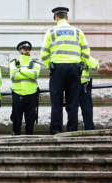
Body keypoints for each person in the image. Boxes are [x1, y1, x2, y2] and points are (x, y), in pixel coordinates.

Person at [41, 6, 91, 135]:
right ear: (67, 17)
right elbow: (86, 50)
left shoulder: (51, 32)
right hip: (74, 70)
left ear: (56, 17)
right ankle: (72, 130)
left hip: (57, 70)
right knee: (73, 102)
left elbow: (44, 53)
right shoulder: (77, 32)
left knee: (56, 101)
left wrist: (49, 64)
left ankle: (56, 130)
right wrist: (82, 64)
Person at [10, 41, 41, 136]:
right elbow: (14, 76)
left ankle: (29, 138)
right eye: (24, 49)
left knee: (30, 119)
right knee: (16, 119)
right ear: (20, 51)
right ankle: (15, 138)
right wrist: (28, 73)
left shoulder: (35, 63)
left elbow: (35, 75)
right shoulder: (14, 63)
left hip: (31, 94)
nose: (27, 51)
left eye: (28, 49)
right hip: (18, 93)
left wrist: (21, 70)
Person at [79, 55, 99, 130]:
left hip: (84, 86)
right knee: (71, 110)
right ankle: (71, 130)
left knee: (87, 110)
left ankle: (89, 130)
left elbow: (95, 66)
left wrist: (85, 57)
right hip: (72, 86)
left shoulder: (84, 56)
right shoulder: (71, 56)